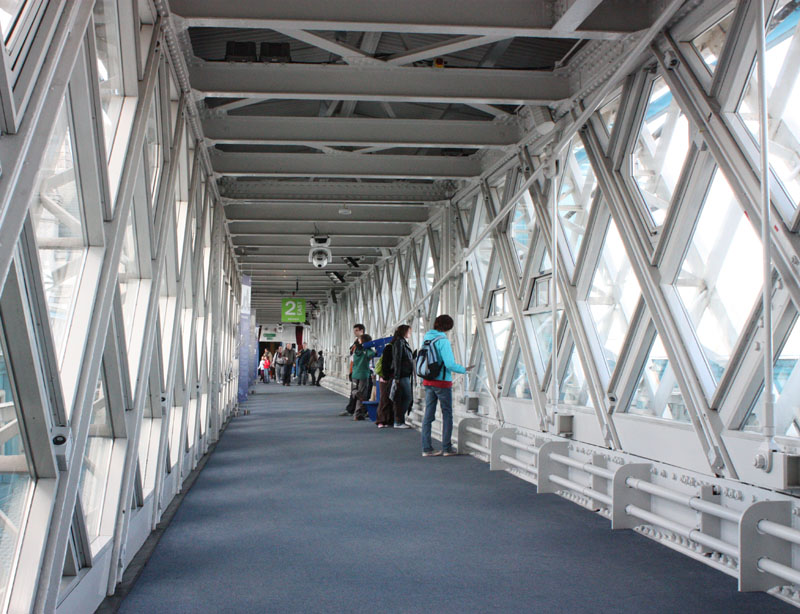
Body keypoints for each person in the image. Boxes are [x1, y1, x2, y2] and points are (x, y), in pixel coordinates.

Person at [421, 315, 472, 457]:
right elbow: (449, 364)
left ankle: (426, 448)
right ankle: (447, 448)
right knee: (447, 414)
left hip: (428, 381)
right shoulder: (443, 341)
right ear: (448, 327)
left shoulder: (427, 338)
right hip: (442, 382)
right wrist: (464, 370)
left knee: (428, 415)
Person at [389, 325, 414, 429]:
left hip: (403, 374)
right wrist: (397, 377)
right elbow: (397, 359)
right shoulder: (400, 342)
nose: (410, 333)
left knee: (402, 398)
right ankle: (398, 420)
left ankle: (399, 420)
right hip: (402, 375)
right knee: (407, 397)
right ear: (404, 331)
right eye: (409, 331)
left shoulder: (401, 342)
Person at [340, 324, 366, 416]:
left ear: (361, 330)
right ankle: (353, 409)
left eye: (356, 330)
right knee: (355, 390)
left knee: (359, 391)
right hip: (354, 369)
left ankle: (357, 410)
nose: (354, 332)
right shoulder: (355, 343)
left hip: (360, 370)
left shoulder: (364, 342)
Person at [351, 334, 375, 421]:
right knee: (362, 395)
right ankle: (358, 414)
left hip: (355, 374)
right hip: (364, 375)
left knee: (354, 389)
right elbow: (373, 354)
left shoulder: (356, 349)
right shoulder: (367, 350)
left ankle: (356, 392)